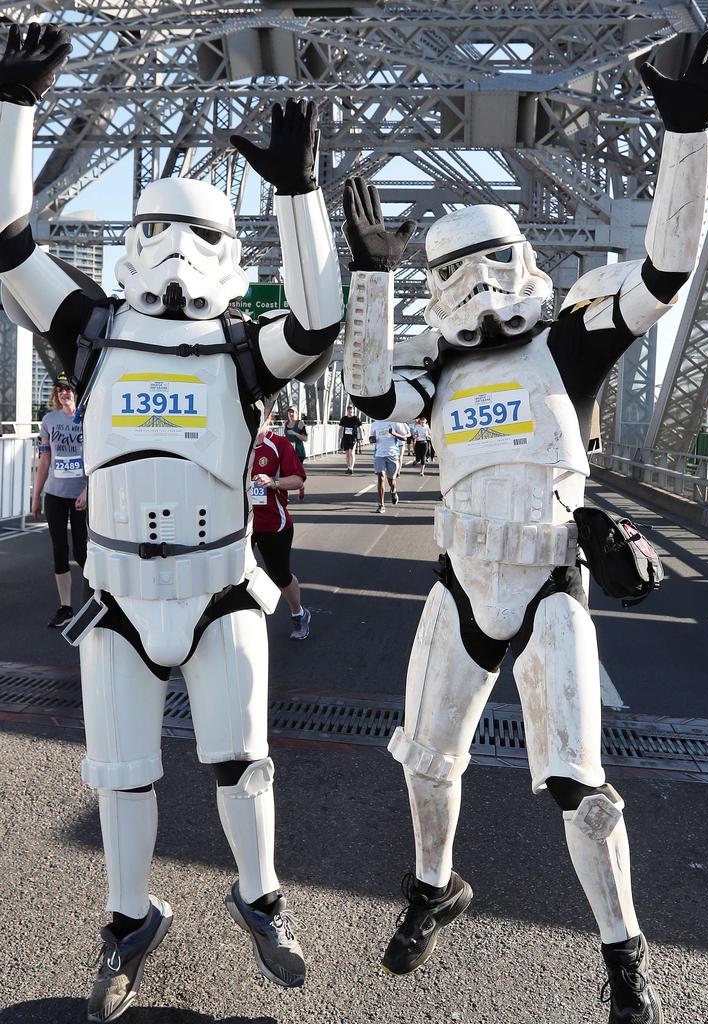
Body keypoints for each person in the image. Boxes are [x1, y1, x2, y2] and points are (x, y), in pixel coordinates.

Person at [341, 30, 708, 1024]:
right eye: (460, 270)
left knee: (584, 785)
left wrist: (686, 131)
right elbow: (365, 395)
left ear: (524, 263)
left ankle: (625, 956)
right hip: (460, 583)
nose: (481, 286)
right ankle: (434, 888)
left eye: (496, 263)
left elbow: (662, 273)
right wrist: (366, 281)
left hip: (544, 582)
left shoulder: (569, 339)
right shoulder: (438, 369)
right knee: (424, 759)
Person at [0, 24, 345, 1020]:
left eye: (201, 235)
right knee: (119, 776)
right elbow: (10, 244)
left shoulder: (241, 350)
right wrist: (14, 109)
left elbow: (319, 328)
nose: (178, 252)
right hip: (118, 594)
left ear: (233, 256)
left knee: (241, 761)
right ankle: (125, 919)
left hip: (218, 586)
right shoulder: (94, 331)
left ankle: (261, 896)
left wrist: (298, 191)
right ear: (129, 239)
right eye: (160, 228)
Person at [31, 372, 88, 627]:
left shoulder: (87, 417)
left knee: (83, 550)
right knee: (59, 551)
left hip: (81, 495)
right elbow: (44, 461)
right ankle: (66, 608)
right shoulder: (49, 420)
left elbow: (97, 459)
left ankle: (92, 603)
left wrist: (87, 491)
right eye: (60, 389)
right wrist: (36, 496)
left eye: (68, 389)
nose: (64, 393)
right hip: (54, 495)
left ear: (75, 392)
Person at [250, 410, 311, 640]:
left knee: (280, 576)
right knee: (232, 574)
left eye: (260, 418)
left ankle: (299, 613)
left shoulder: (279, 444)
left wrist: (273, 481)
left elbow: (298, 479)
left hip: (273, 524)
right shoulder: (236, 443)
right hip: (242, 524)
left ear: (268, 420)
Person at [369, 419, 408, 513]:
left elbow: (405, 438)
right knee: (381, 477)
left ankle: (393, 491)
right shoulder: (375, 424)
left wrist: (394, 433)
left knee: (391, 480)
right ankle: (381, 504)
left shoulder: (396, 422)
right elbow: (371, 437)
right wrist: (372, 439)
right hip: (379, 454)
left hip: (392, 454)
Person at [284, 405, 308, 499]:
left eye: (293, 412)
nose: (291, 414)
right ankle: (285, 495)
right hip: (288, 453)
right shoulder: (286, 424)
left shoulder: (300, 423)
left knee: (297, 474)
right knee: (286, 473)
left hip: (299, 452)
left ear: (297, 413)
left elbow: (305, 439)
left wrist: (295, 433)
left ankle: (301, 487)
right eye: (290, 412)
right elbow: (285, 437)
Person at [338, 403, 363, 473]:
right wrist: (339, 437)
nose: (350, 410)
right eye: (348, 409)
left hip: (353, 437)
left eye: (351, 409)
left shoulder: (356, 418)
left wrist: (361, 438)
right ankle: (348, 467)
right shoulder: (344, 419)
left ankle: (351, 468)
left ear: (353, 410)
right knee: (347, 454)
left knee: (351, 453)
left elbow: (360, 428)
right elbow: (340, 429)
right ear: (347, 410)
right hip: (345, 437)